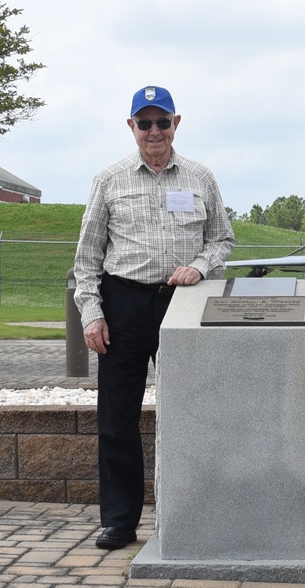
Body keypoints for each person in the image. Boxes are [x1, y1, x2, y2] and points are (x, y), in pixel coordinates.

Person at [73, 85, 235, 550]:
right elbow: (87, 258)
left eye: (162, 121)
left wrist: (199, 267)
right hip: (124, 303)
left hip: (184, 303)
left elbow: (223, 240)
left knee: (193, 413)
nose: (154, 131)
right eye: (144, 123)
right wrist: (91, 314)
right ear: (131, 128)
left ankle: (193, 514)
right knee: (117, 419)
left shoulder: (201, 177)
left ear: (176, 123)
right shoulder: (110, 179)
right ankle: (120, 520)